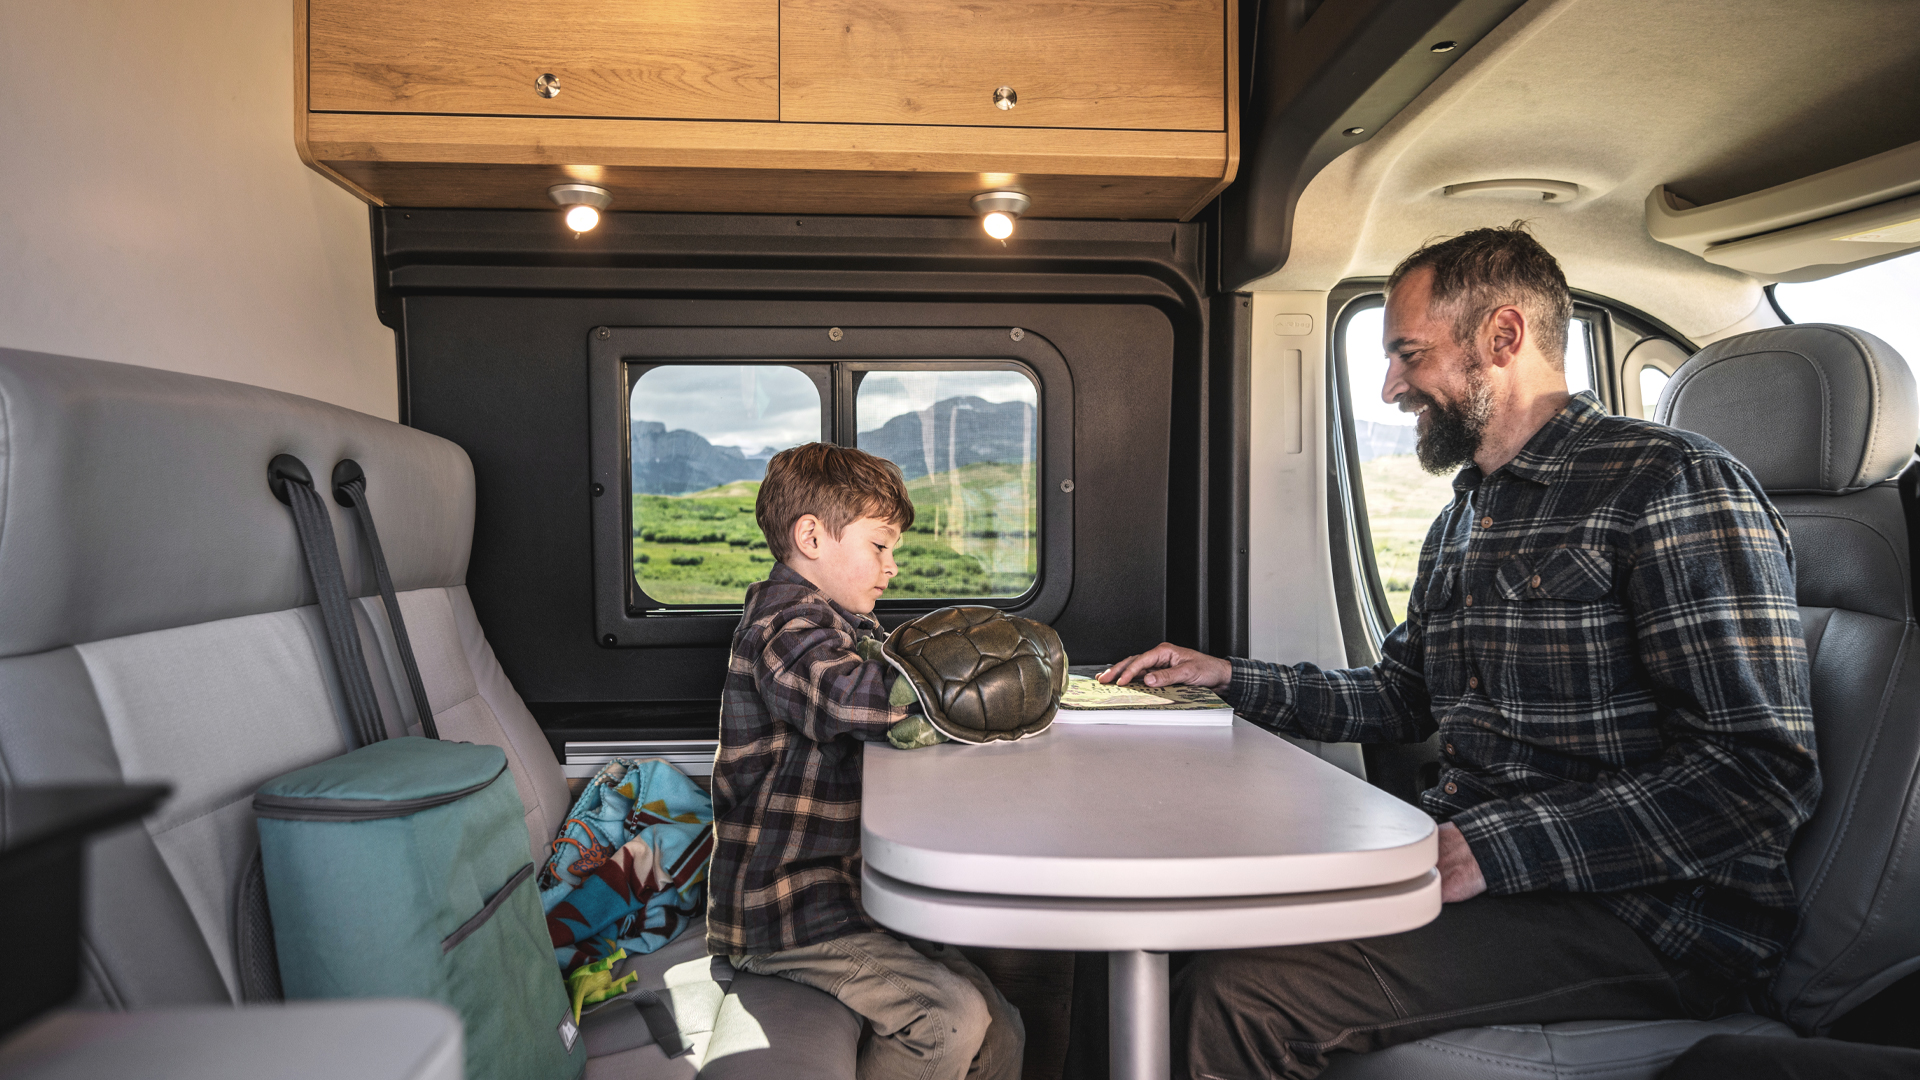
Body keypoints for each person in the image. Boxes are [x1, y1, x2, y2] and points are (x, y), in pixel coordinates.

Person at [1101, 225, 1821, 1079]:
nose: (1390, 385)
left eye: (1410, 355)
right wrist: (1224, 677)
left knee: (1243, 995)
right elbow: (1402, 698)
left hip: (1647, 912)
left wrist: (1494, 846)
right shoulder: (1465, 517)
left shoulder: (1671, 485)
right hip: (1485, 865)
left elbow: (1755, 774)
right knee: (1184, 925)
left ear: (1502, 338)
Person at [706, 442, 1025, 1080]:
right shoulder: (783, 630)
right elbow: (853, 700)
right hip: (785, 911)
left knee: (1004, 1026)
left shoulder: (841, 625)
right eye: (880, 546)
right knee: (947, 1018)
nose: (893, 567)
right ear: (812, 537)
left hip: (845, 896)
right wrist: (975, 696)